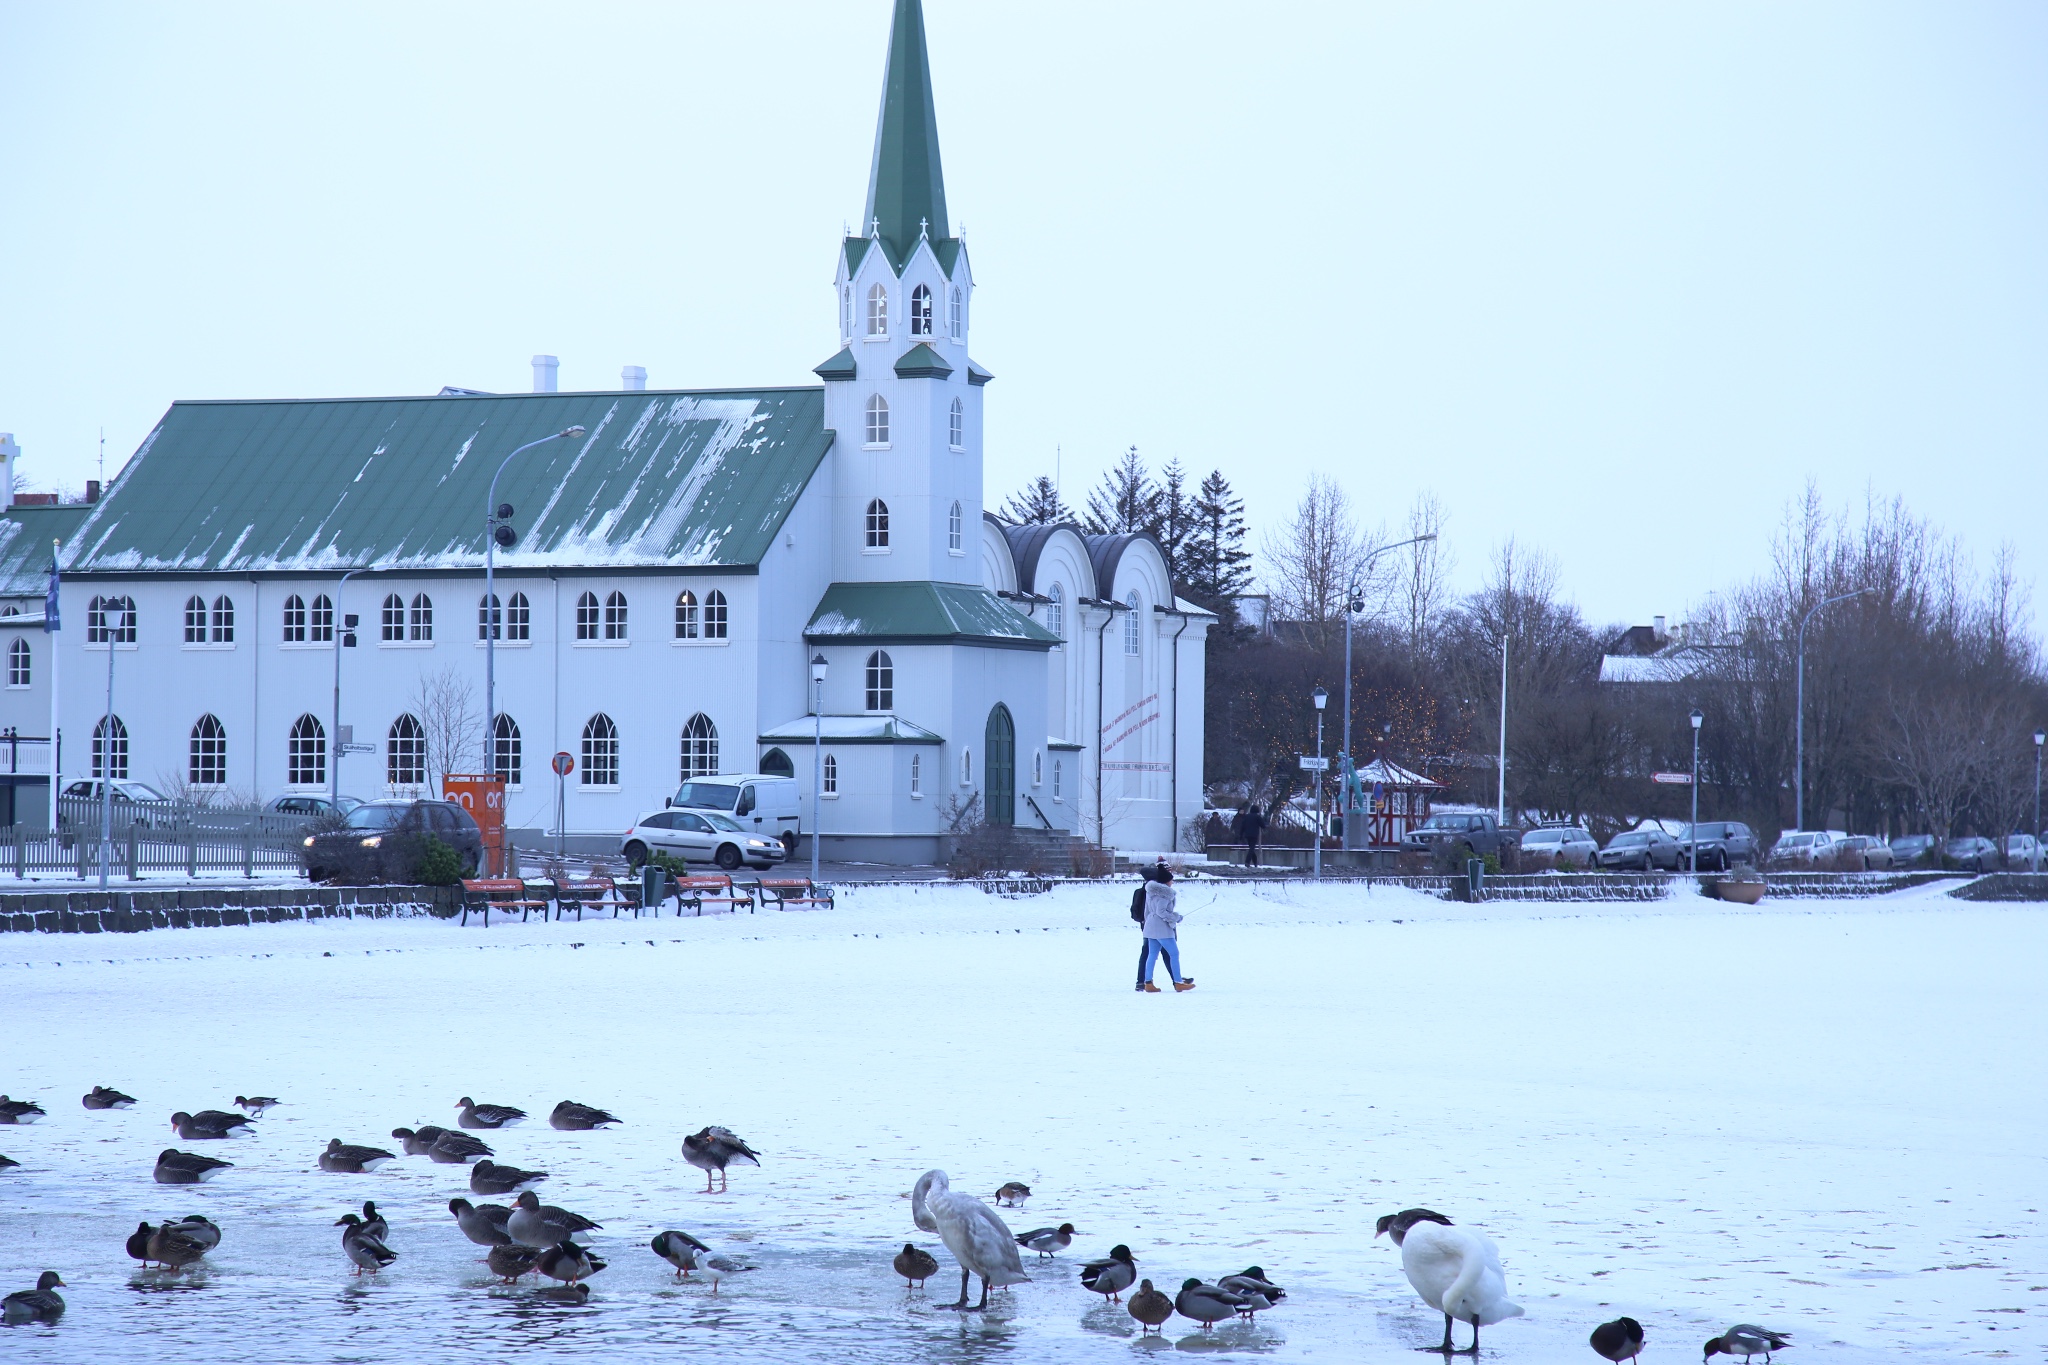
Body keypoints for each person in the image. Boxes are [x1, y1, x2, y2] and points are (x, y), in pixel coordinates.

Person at [1138, 865, 1193, 993]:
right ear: (1166, 881)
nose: (1172, 882)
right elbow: (1161, 911)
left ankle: (1148, 982)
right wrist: (1175, 917)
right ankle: (1178, 982)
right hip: (1162, 929)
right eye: (1171, 880)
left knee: (1152, 955)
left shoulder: (1150, 892)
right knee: (1174, 953)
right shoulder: (1165, 894)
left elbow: (1147, 911)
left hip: (1150, 927)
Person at [1129, 860, 1162, 991]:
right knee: (1168, 952)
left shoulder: (1139, 891)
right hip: (1156, 926)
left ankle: (1140, 981)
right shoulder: (1153, 892)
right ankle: (1177, 979)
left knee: (1147, 952)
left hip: (1145, 926)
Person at [1232, 801, 1266, 867]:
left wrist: (1241, 835)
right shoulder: (1257, 817)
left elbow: (1243, 826)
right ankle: (1247, 862)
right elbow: (1263, 825)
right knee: (1251, 849)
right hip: (1254, 835)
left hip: (1247, 835)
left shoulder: (1247, 817)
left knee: (1251, 848)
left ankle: (1255, 862)